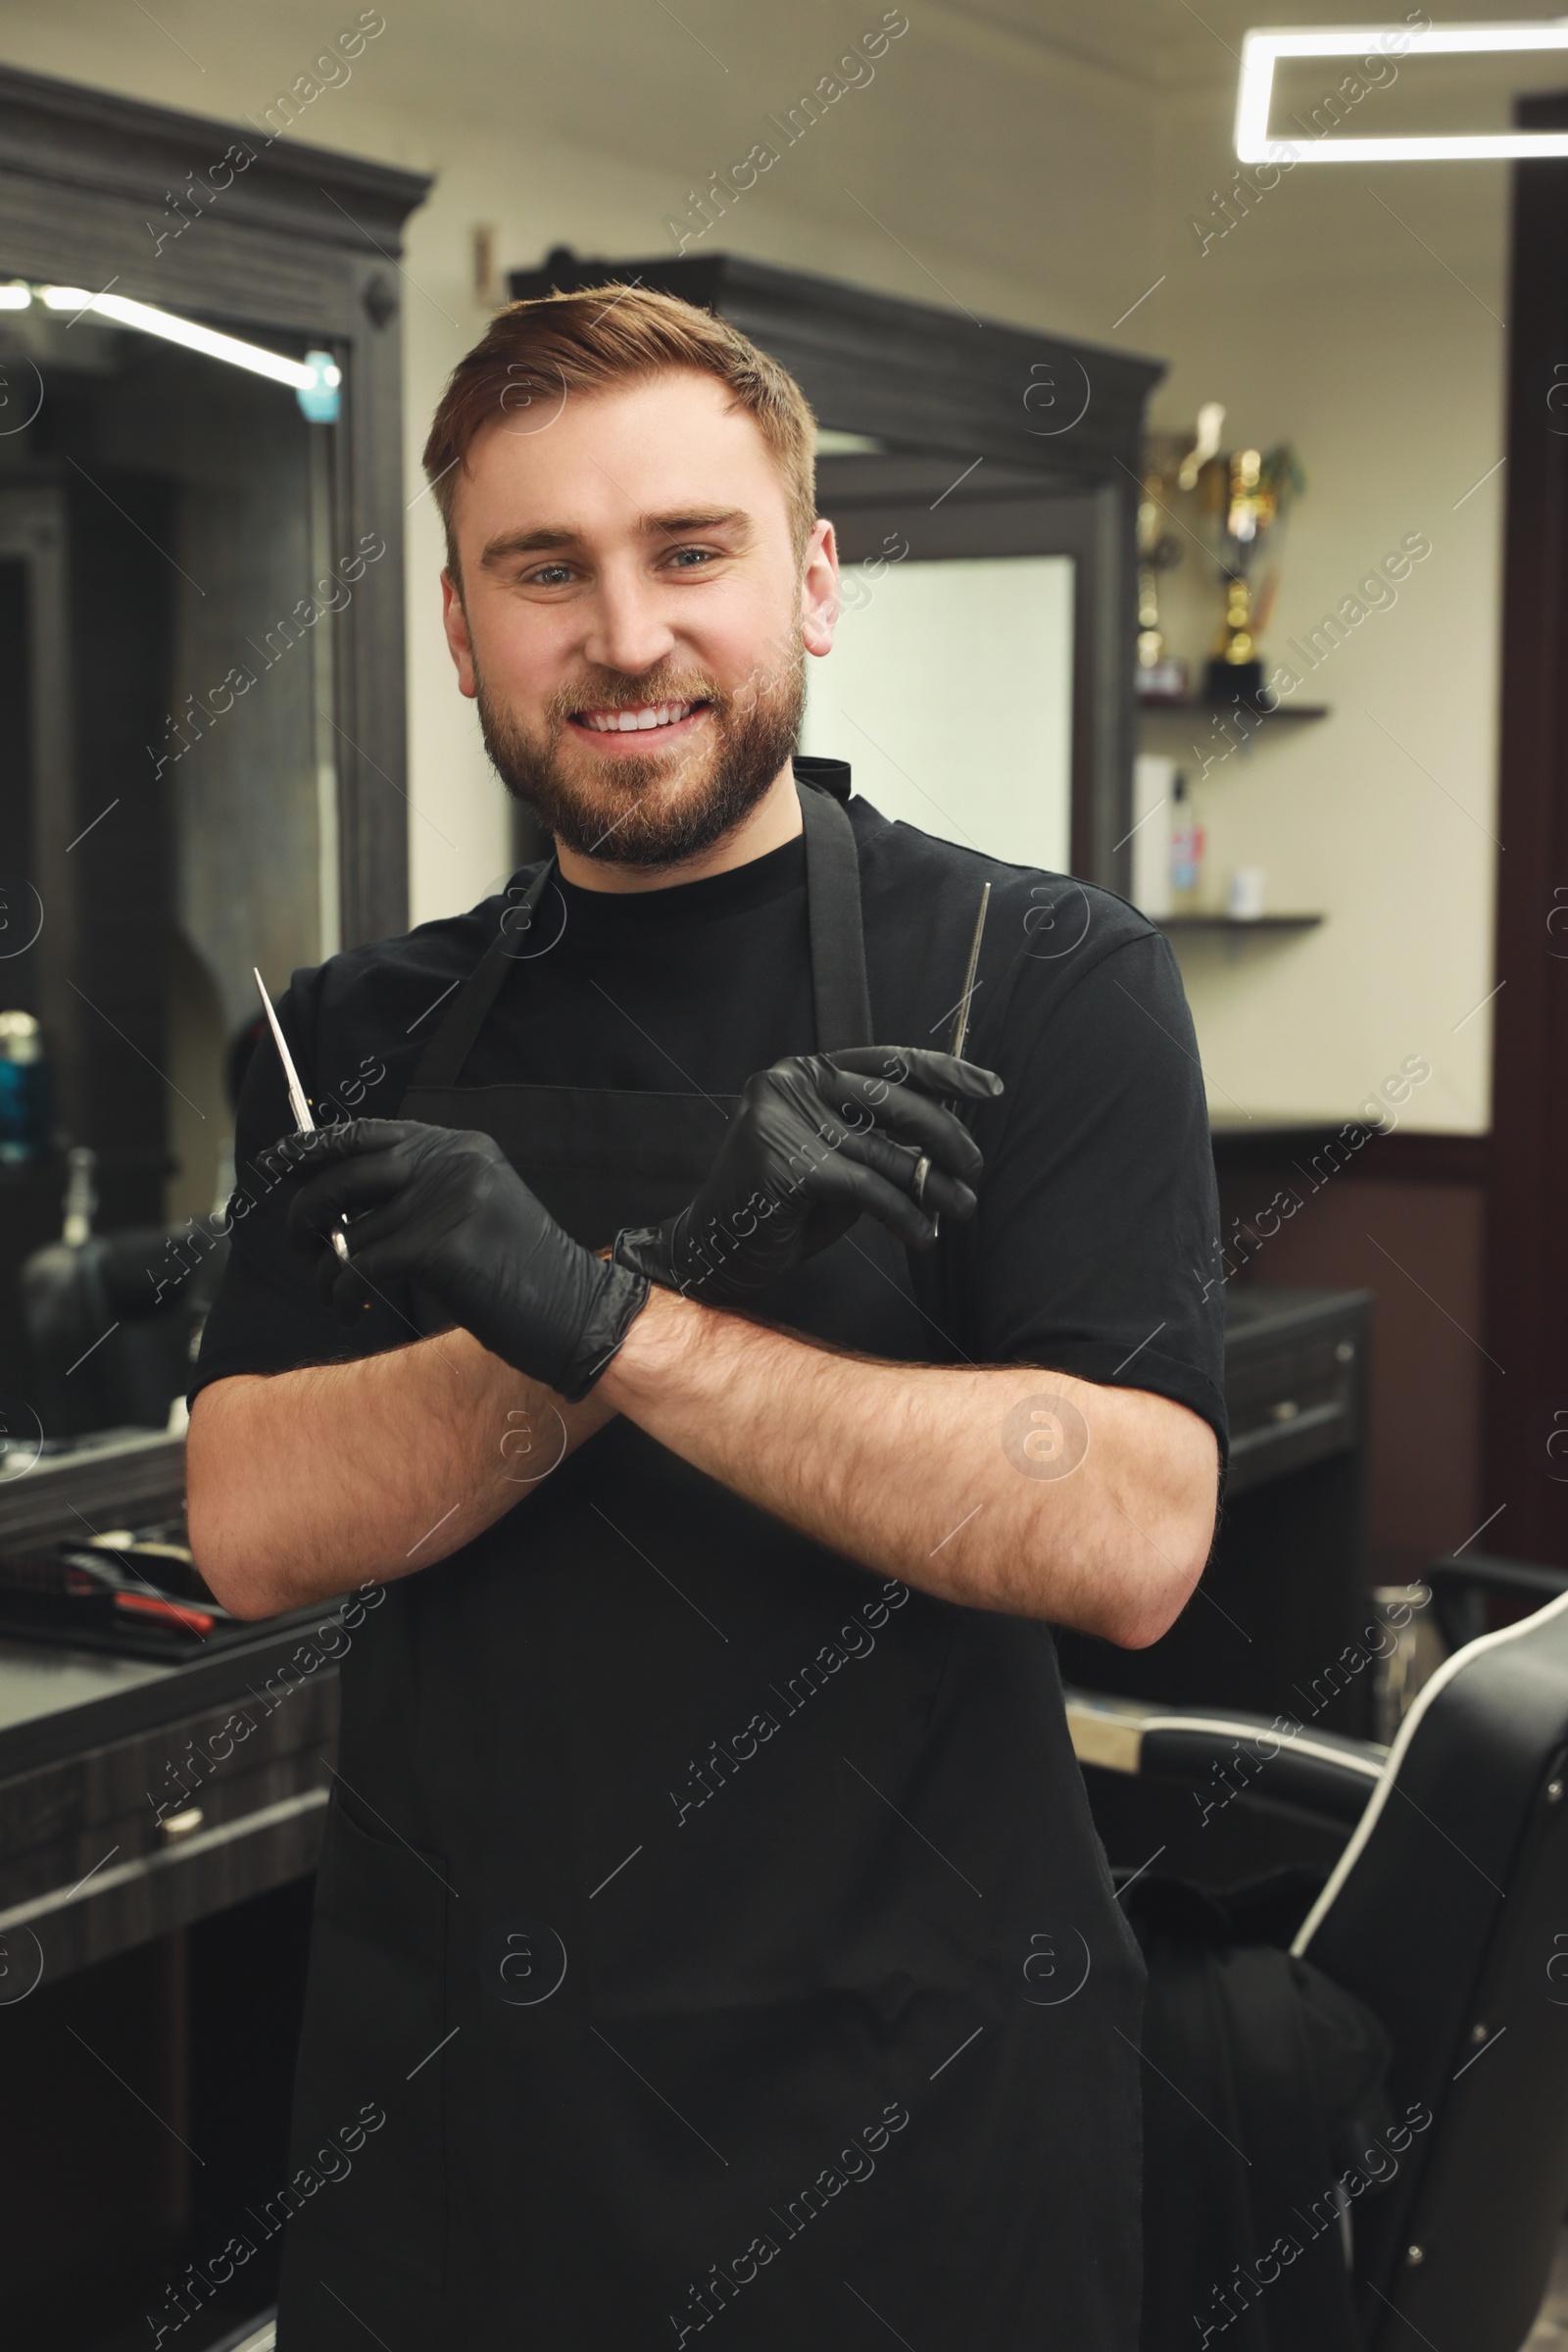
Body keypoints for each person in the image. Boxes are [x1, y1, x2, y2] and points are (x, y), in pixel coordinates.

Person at [187, 285, 1225, 2351]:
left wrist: (610, 1306)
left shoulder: (1034, 976)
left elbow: (1124, 1536)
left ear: (810, 579)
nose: (626, 634)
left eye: (689, 551)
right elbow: (252, 1527)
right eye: (542, 570)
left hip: (911, 2099)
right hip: (467, 2099)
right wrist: (658, 1268)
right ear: (464, 631)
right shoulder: (357, 1032)